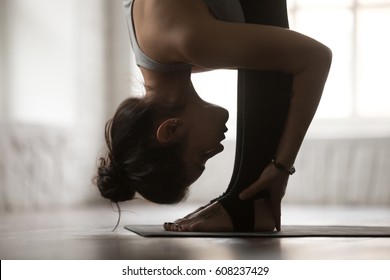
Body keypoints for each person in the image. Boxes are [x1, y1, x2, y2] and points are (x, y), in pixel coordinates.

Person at [95, 0, 332, 232]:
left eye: (203, 156)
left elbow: (315, 57)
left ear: (171, 129)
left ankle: (248, 202)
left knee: (273, 59)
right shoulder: (153, 43)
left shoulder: (192, 42)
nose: (217, 150)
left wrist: (282, 166)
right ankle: (245, 200)